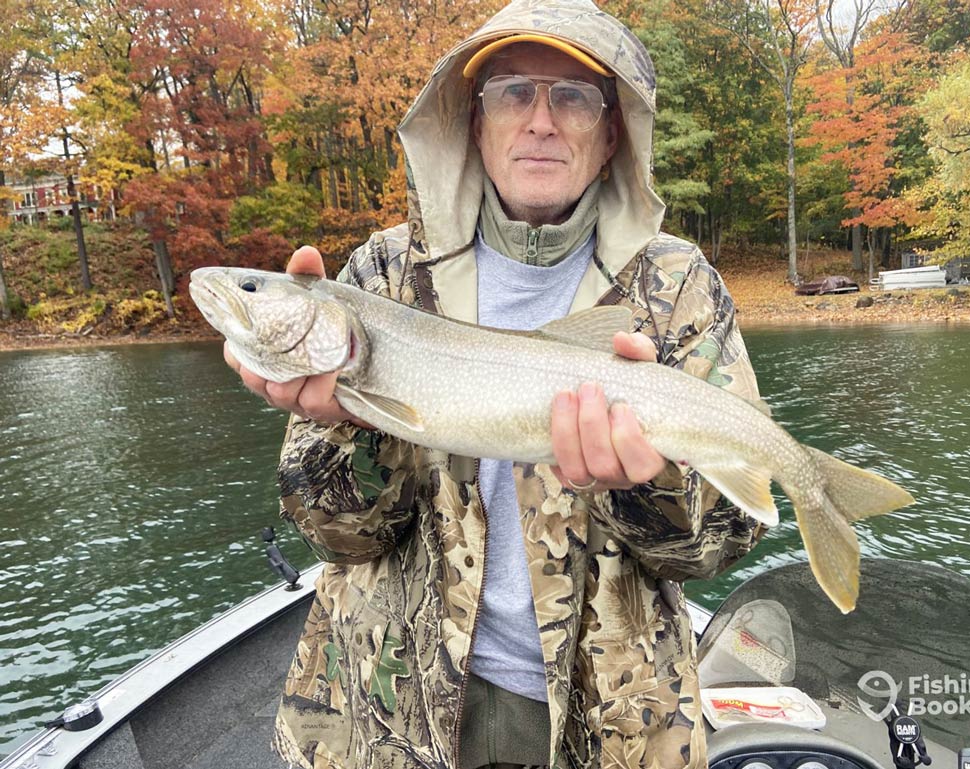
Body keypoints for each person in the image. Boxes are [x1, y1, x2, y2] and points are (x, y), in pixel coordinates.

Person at [225, 1, 764, 767]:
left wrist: (646, 487)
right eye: (513, 92)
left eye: (573, 97)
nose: (540, 120)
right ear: (474, 123)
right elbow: (333, 534)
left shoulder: (682, 292)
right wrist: (356, 424)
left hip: (610, 720)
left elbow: (727, 538)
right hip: (389, 709)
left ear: (612, 134)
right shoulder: (379, 279)